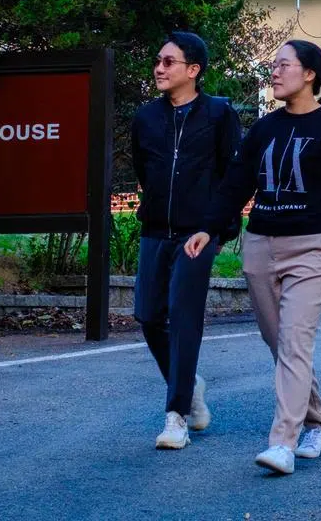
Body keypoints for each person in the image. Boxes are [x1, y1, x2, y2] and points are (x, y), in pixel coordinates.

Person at [189, 39, 321, 476]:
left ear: (309, 74)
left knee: (294, 342)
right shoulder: (265, 128)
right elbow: (236, 185)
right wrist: (209, 227)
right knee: (280, 344)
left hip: (312, 247)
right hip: (260, 245)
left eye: (283, 65)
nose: (274, 72)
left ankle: (282, 443)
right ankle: (318, 422)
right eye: (273, 66)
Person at [131, 32, 243, 451]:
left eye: (169, 62)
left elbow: (233, 178)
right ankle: (189, 383)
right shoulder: (145, 118)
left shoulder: (218, 114)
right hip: (156, 230)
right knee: (147, 315)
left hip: (198, 235)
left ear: (193, 70)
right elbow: (145, 170)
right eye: (158, 60)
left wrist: (216, 230)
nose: (159, 68)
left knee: (184, 318)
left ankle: (176, 415)